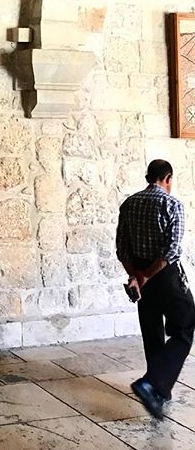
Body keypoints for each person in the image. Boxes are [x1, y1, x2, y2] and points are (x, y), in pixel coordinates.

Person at [116, 158, 195, 419]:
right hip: (165, 276)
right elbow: (171, 251)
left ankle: (159, 390)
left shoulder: (129, 204)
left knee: (152, 332)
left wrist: (136, 277)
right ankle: (151, 385)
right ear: (168, 178)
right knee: (185, 328)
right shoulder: (172, 204)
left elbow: (122, 248)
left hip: (140, 273)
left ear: (148, 176)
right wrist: (148, 275)